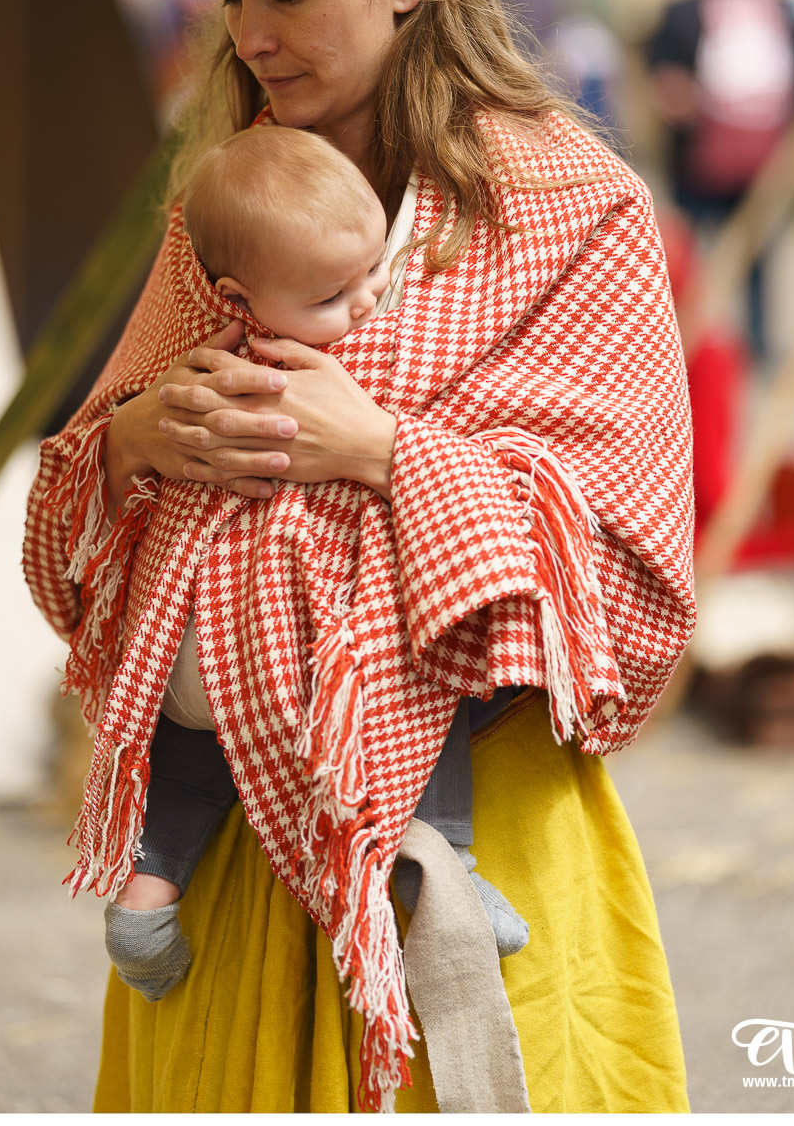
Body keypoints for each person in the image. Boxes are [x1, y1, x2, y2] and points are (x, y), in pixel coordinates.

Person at [23, 0, 695, 1113]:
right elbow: (87, 482)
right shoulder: (226, 200)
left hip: (474, 840)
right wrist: (138, 443)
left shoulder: (572, 208)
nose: (250, 35)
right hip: (238, 850)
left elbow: (627, 556)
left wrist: (381, 447)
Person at [104, 126, 527, 1004]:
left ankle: (145, 896)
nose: (370, 302)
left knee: (190, 765)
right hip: (280, 641)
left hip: (188, 645)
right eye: (336, 293)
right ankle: (435, 864)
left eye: (378, 270)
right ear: (238, 293)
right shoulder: (305, 367)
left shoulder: (207, 349)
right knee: (421, 678)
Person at [646, 0, 794, 361]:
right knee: (690, 255)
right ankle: (681, 343)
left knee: (758, 256)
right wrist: (672, 92)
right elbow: (659, 66)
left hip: (760, 160)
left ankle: (757, 342)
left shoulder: (779, 9)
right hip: (701, 157)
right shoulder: (684, 10)